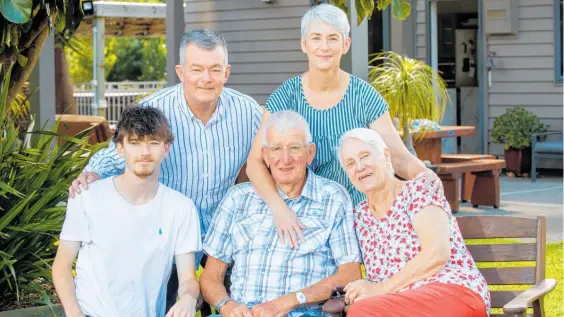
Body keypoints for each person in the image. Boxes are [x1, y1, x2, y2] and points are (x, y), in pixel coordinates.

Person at [68, 29, 263, 310]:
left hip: (225, 229)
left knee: (236, 304)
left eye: (214, 69)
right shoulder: (155, 108)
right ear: (181, 71)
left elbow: (272, 152)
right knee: (167, 304)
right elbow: (118, 152)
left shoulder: (248, 112)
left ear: (226, 72)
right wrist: (92, 173)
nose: (206, 78)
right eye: (196, 69)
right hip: (168, 230)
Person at [245, 3, 441, 249]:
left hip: (360, 216)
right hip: (304, 219)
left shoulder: (364, 96)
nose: (324, 47)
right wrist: (279, 209)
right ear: (304, 44)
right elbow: (255, 163)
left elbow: (398, 156)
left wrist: (426, 175)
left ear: (345, 44)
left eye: (332, 38)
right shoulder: (285, 97)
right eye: (316, 38)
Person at [200, 111, 362, 317]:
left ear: (310, 153)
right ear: (265, 155)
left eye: (294, 148)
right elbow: (211, 275)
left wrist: (291, 301)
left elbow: (350, 273)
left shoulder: (333, 197)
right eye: (276, 149)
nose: (285, 159)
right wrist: (226, 305)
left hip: (303, 313)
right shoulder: (238, 197)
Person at [52, 107, 201, 317]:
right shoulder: (87, 196)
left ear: (166, 148)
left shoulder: (181, 208)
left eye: (154, 143)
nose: (145, 152)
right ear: (120, 148)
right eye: (135, 143)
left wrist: (188, 298)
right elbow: (62, 265)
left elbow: (188, 279)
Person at [336, 128, 490, 317]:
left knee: (363, 312)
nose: (359, 167)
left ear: (385, 155)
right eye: (350, 163)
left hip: (451, 292)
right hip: (398, 305)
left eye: (365, 156)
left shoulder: (419, 190)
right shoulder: (359, 216)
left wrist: (381, 288)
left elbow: (437, 253)